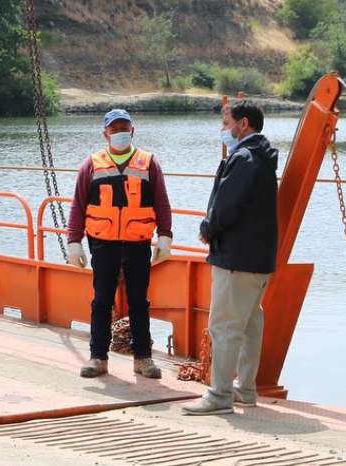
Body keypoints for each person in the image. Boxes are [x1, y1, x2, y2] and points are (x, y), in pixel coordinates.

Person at [183, 100, 278, 415]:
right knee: (250, 324)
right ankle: (245, 389)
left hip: (236, 257)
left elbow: (227, 206)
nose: (224, 130)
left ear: (244, 123)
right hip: (258, 258)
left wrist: (208, 228)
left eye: (227, 124)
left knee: (224, 325)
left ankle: (219, 395)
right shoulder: (263, 158)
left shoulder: (245, 157)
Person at [67, 109, 173, 379]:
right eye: (114, 130)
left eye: (124, 128)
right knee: (102, 301)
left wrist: (165, 236)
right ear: (105, 134)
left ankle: (143, 359)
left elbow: (161, 201)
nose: (120, 133)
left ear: (133, 130)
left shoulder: (149, 163)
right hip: (102, 244)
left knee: (139, 301)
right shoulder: (91, 164)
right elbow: (78, 205)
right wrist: (74, 242)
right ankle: (98, 358)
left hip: (138, 243)